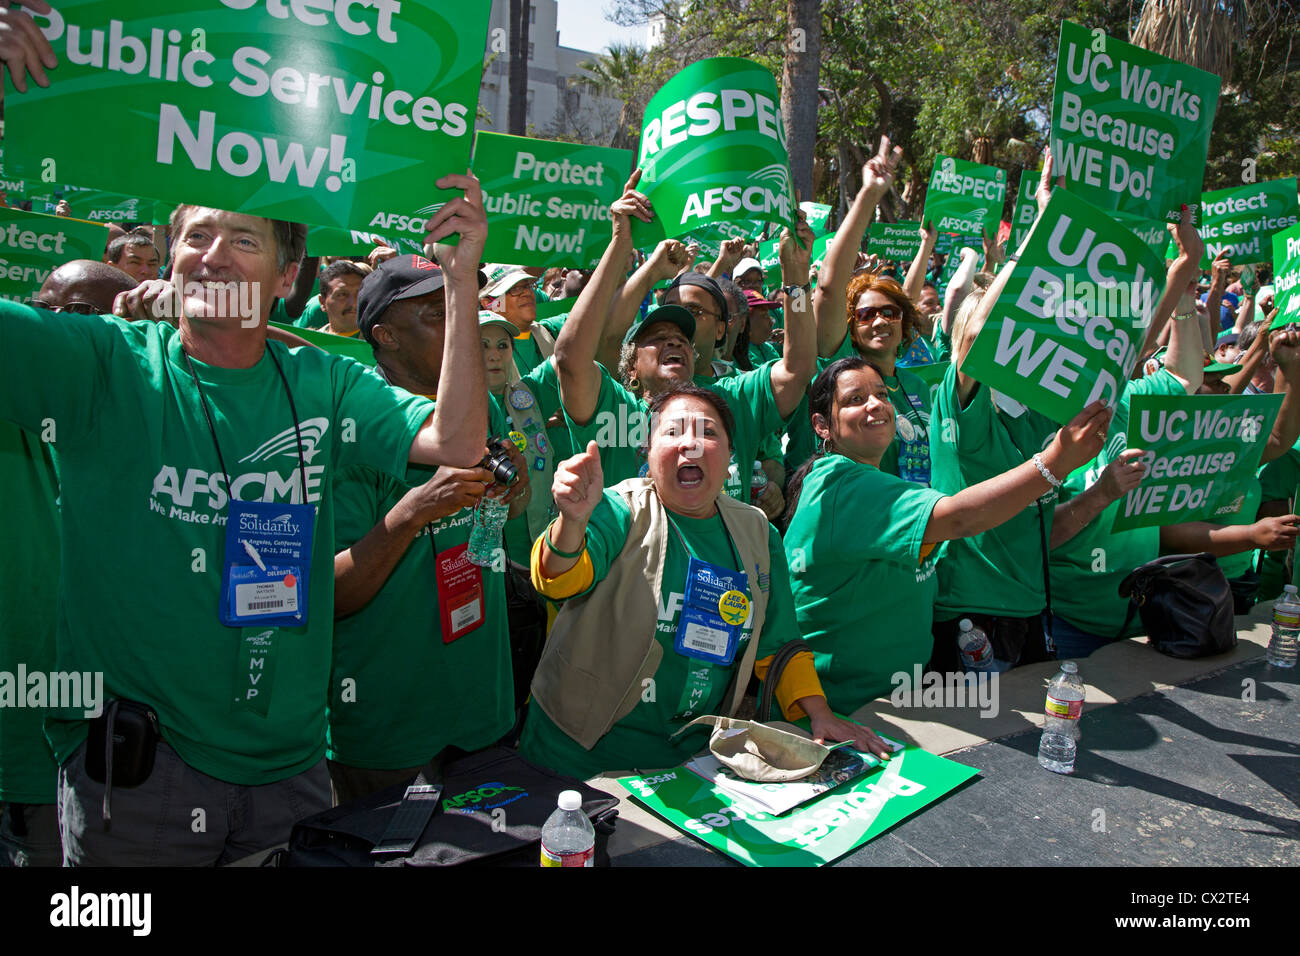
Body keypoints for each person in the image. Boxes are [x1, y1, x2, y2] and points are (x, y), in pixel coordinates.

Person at [1, 173, 488, 865]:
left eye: (243, 240)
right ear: (169, 261)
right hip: (144, 777)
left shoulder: (326, 382)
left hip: (290, 774)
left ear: (286, 273)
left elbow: (459, 441)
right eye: (196, 236)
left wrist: (463, 280)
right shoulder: (103, 364)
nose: (214, 254)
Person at [520, 385, 889, 779]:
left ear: (731, 456)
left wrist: (820, 714)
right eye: (673, 431)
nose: (690, 444)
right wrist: (572, 522)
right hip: (576, 760)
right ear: (646, 451)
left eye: (708, 433)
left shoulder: (758, 534)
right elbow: (557, 580)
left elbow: (777, 644)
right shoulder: (616, 509)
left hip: (688, 763)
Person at [780, 356, 1111, 712]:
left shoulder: (863, 481)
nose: (875, 404)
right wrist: (1055, 461)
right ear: (821, 426)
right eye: (855, 399)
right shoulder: (842, 485)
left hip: (894, 705)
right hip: (838, 714)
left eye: (881, 394)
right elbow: (957, 519)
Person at [326, 263, 528, 806]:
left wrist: (515, 488)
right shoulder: (350, 426)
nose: (462, 329)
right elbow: (329, 594)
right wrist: (412, 511)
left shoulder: (480, 408)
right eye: (439, 316)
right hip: (391, 733)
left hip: (482, 712)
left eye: (463, 311)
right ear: (385, 337)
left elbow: (505, 515)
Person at [554, 170, 815, 506]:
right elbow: (570, 358)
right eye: (657, 337)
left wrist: (794, 274)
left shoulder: (731, 401)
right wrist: (621, 243)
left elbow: (798, 367)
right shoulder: (615, 411)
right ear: (630, 366)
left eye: (683, 337)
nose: (675, 341)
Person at [1, 260, 136, 867]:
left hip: (88, 764)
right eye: (42, 311)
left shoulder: (160, 421)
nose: (52, 328)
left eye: (78, 315)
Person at [480, 264, 567, 377]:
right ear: (488, 303)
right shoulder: (477, 352)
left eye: (527, 286)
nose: (527, 293)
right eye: (515, 289)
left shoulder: (553, 331)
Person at [314, 259, 369, 337]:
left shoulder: (384, 343)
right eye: (342, 295)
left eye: (359, 294)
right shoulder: (311, 344)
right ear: (322, 302)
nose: (353, 302)